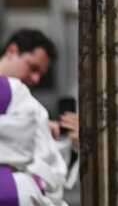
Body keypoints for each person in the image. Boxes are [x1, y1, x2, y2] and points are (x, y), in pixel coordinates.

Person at [0, 30, 72, 205]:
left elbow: (50, 169)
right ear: (12, 51)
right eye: (32, 67)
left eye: (40, 73)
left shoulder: (33, 108)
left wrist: (67, 141)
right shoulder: (15, 91)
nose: (35, 78)